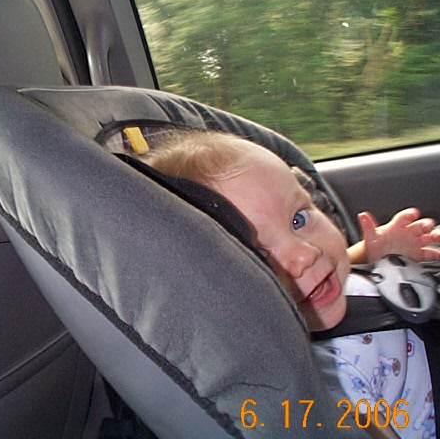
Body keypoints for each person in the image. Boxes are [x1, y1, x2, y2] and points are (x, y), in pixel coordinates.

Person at [143, 128, 440, 438]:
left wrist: (369, 253)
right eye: (260, 256)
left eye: (299, 219)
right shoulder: (325, 381)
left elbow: (334, 272)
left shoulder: (313, 287)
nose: (307, 254)